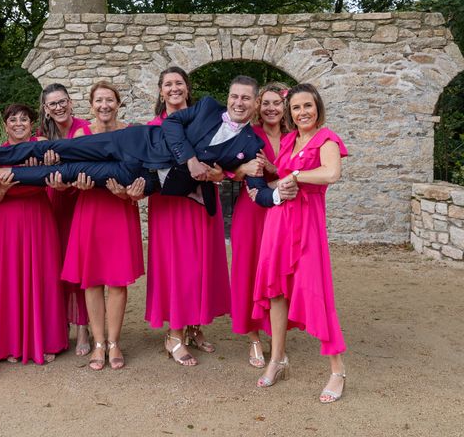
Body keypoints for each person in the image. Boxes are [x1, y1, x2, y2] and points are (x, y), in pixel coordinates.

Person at [0, 76, 288, 215]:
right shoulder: (208, 107)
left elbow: (257, 189)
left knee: (67, 171)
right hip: (131, 140)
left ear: (255, 102)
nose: (239, 103)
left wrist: (279, 192)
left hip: (142, 176)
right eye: (235, 96)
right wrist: (190, 161)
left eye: (246, 98)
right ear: (228, 96)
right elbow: (171, 123)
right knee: (63, 148)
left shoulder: (250, 142)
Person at [251, 83, 348, 403]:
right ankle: (277, 359)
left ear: (318, 107)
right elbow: (283, 176)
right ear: (290, 113)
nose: (302, 112)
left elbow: (331, 173)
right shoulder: (291, 139)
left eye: (308, 106)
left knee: (316, 293)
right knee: (276, 292)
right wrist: (273, 172)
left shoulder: (327, 139)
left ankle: (337, 371)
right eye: (296, 108)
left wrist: (295, 177)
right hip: (278, 223)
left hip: (307, 227)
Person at [144, 67, 228, 366]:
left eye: (179, 83)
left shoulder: (209, 121)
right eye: (168, 84)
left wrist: (220, 172)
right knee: (178, 266)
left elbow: (224, 158)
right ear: (161, 90)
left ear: (187, 88)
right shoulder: (154, 126)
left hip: (202, 202)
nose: (174, 88)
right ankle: (174, 335)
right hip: (170, 207)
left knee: (200, 264)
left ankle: (194, 326)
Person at [59, 81, 145, 370]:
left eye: (110, 100)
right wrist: (76, 184)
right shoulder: (82, 135)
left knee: (117, 281)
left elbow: (140, 175)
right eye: (99, 100)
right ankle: (98, 343)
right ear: (91, 104)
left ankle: (114, 342)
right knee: (92, 279)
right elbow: (69, 174)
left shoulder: (130, 134)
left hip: (120, 208)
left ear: (118, 104)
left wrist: (129, 191)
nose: (104, 105)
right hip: (91, 209)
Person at [0, 103, 68, 365]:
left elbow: (61, 180)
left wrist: (50, 171)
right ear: (5, 124)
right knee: (9, 278)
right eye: (13, 119)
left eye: (24, 119)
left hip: (39, 217)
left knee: (43, 275)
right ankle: (11, 342)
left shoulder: (42, 144)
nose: (18, 124)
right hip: (7, 221)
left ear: (32, 124)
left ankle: (46, 339)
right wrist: (5, 189)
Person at [230, 82, 290, 368]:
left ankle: (277, 340)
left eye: (276, 103)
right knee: (248, 271)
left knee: (279, 275)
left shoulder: (295, 137)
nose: (271, 108)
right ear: (257, 107)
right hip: (251, 211)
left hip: (284, 214)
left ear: (285, 107)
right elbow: (230, 169)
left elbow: (302, 174)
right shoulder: (247, 134)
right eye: (265, 103)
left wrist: (273, 169)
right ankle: (254, 338)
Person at [38, 84, 91, 356]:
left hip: (77, 199)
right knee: (56, 263)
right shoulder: (41, 136)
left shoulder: (82, 128)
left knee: (78, 264)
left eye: (62, 102)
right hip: (52, 201)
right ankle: (61, 325)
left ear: (70, 103)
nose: (58, 107)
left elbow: (80, 160)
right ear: (46, 110)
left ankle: (83, 326)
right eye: (52, 104)